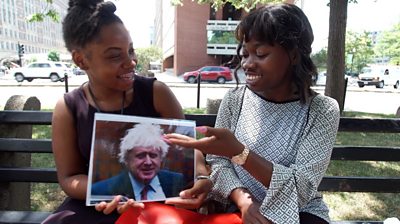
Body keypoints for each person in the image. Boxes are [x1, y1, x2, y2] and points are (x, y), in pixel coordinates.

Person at [166, 3, 340, 224]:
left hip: (299, 213)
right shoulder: (235, 100)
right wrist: (244, 201)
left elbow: (301, 189)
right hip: (236, 205)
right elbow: (219, 163)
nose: (248, 64)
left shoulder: (321, 110)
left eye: (260, 53)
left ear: (294, 55)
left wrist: (241, 153)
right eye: (246, 53)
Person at [43, 0, 211, 223]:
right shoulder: (68, 108)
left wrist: (201, 176)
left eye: (130, 50)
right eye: (115, 56)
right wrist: (111, 193)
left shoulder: (156, 93)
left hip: (158, 204)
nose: (131, 62)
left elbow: (191, 151)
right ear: (80, 60)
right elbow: (69, 178)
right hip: (98, 205)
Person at [91, 123, 185, 201]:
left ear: (161, 158)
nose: (148, 162)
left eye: (153, 155)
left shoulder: (178, 182)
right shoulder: (101, 190)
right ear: (126, 159)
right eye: (141, 155)